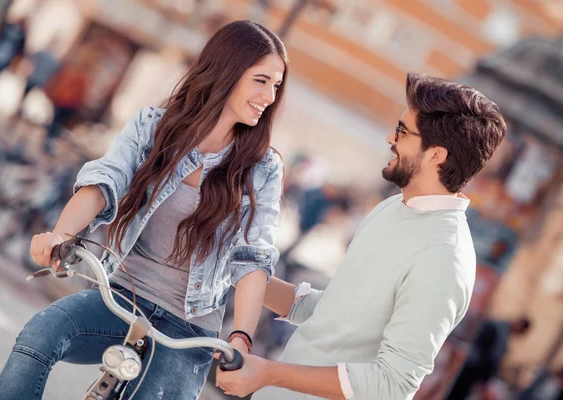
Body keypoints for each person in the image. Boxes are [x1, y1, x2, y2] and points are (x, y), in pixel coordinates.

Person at [0, 20, 288, 400]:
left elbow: (252, 257)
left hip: (188, 330)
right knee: (39, 336)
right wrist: (61, 236)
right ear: (228, 71)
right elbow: (105, 181)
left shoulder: (263, 169)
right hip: (121, 301)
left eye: (276, 85)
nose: (270, 95)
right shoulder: (154, 127)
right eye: (261, 80)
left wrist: (241, 337)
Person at [216, 73, 507, 399]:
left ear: (436, 154)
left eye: (402, 131)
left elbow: (391, 385)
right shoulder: (393, 207)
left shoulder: (444, 257)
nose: (389, 138)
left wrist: (269, 372)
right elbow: (338, 319)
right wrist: (235, 268)